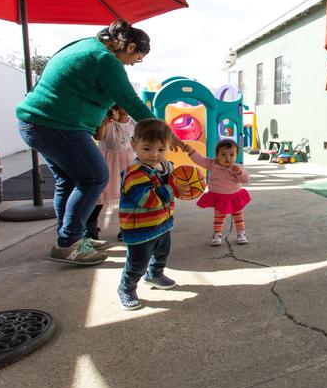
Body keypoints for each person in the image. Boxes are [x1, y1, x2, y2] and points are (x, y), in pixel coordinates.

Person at [16, 20, 183, 266]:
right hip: (56, 126)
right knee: (94, 177)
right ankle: (68, 243)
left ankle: (71, 238)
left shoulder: (87, 46)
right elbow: (131, 102)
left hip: (35, 123)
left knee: (69, 181)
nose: (134, 63)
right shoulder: (106, 60)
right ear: (130, 46)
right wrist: (166, 133)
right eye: (137, 57)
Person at [117, 118, 179, 311]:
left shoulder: (166, 166)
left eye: (161, 150)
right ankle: (126, 288)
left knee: (161, 253)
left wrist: (186, 182)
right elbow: (148, 200)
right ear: (134, 144)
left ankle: (155, 274)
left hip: (162, 223)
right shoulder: (134, 173)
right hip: (140, 229)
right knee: (137, 262)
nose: (154, 155)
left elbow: (174, 182)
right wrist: (173, 188)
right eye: (147, 149)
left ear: (168, 147)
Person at [184, 139, 251, 246]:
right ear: (216, 155)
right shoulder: (212, 164)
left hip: (234, 196)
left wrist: (239, 173)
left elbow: (246, 180)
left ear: (236, 155)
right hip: (219, 197)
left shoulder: (238, 167)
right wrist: (191, 151)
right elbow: (200, 160)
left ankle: (241, 233)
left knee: (238, 216)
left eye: (231, 154)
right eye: (223, 154)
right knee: (219, 217)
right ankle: (217, 234)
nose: (227, 158)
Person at [89, 105, 136, 242]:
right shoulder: (108, 121)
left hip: (128, 163)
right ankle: (90, 225)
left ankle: (126, 227)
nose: (124, 107)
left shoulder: (133, 122)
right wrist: (106, 121)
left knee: (129, 196)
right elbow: (98, 136)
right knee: (100, 196)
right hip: (108, 162)